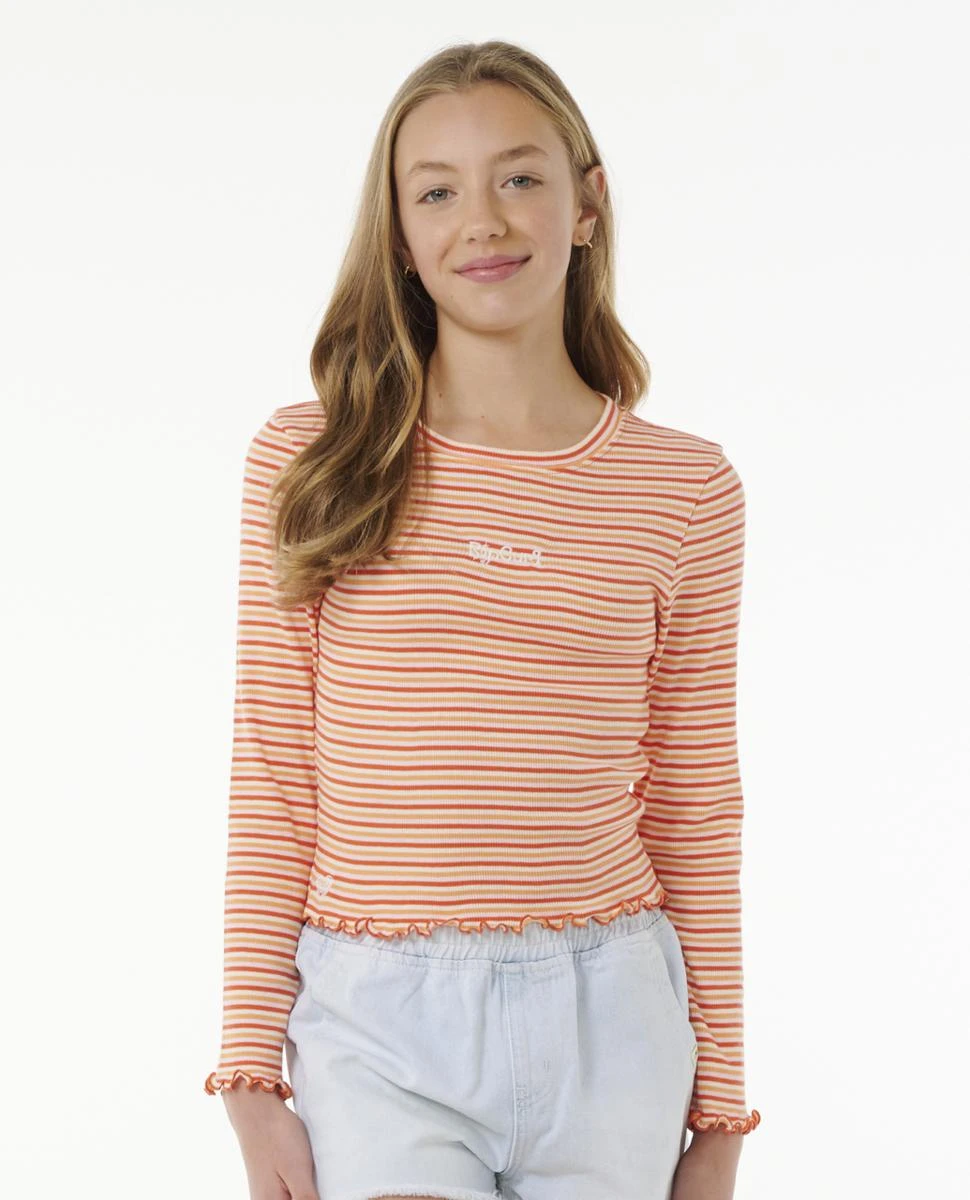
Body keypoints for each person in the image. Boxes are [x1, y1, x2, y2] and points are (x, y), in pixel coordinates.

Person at [204, 38, 760, 1200]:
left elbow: (695, 803)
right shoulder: (311, 462)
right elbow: (274, 772)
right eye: (437, 192)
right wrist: (251, 1076)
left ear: (585, 204)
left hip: (614, 1020)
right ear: (399, 234)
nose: (483, 222)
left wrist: (720, 1115)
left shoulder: (684, 489)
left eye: (518, 177)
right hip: (378, 1022)